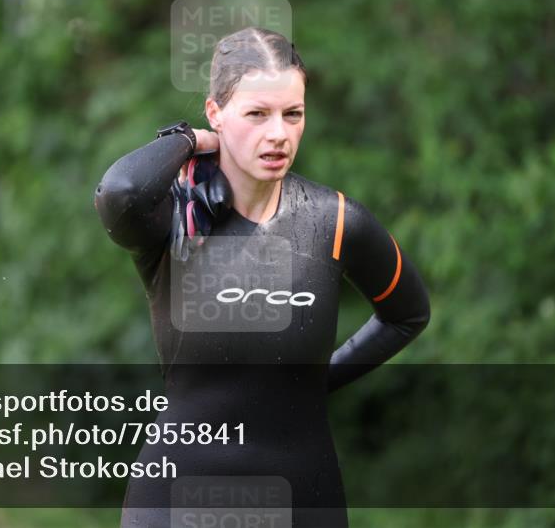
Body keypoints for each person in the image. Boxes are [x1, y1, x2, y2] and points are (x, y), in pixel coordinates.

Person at [94, 27, 431, 528]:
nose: (278, 133)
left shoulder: (334, 221)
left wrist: (317, 379)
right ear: (216, 113)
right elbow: (120, 191)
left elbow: (408, 314)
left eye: (292, 114)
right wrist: (189, 141)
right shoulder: (173, 217)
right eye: (256, 114)